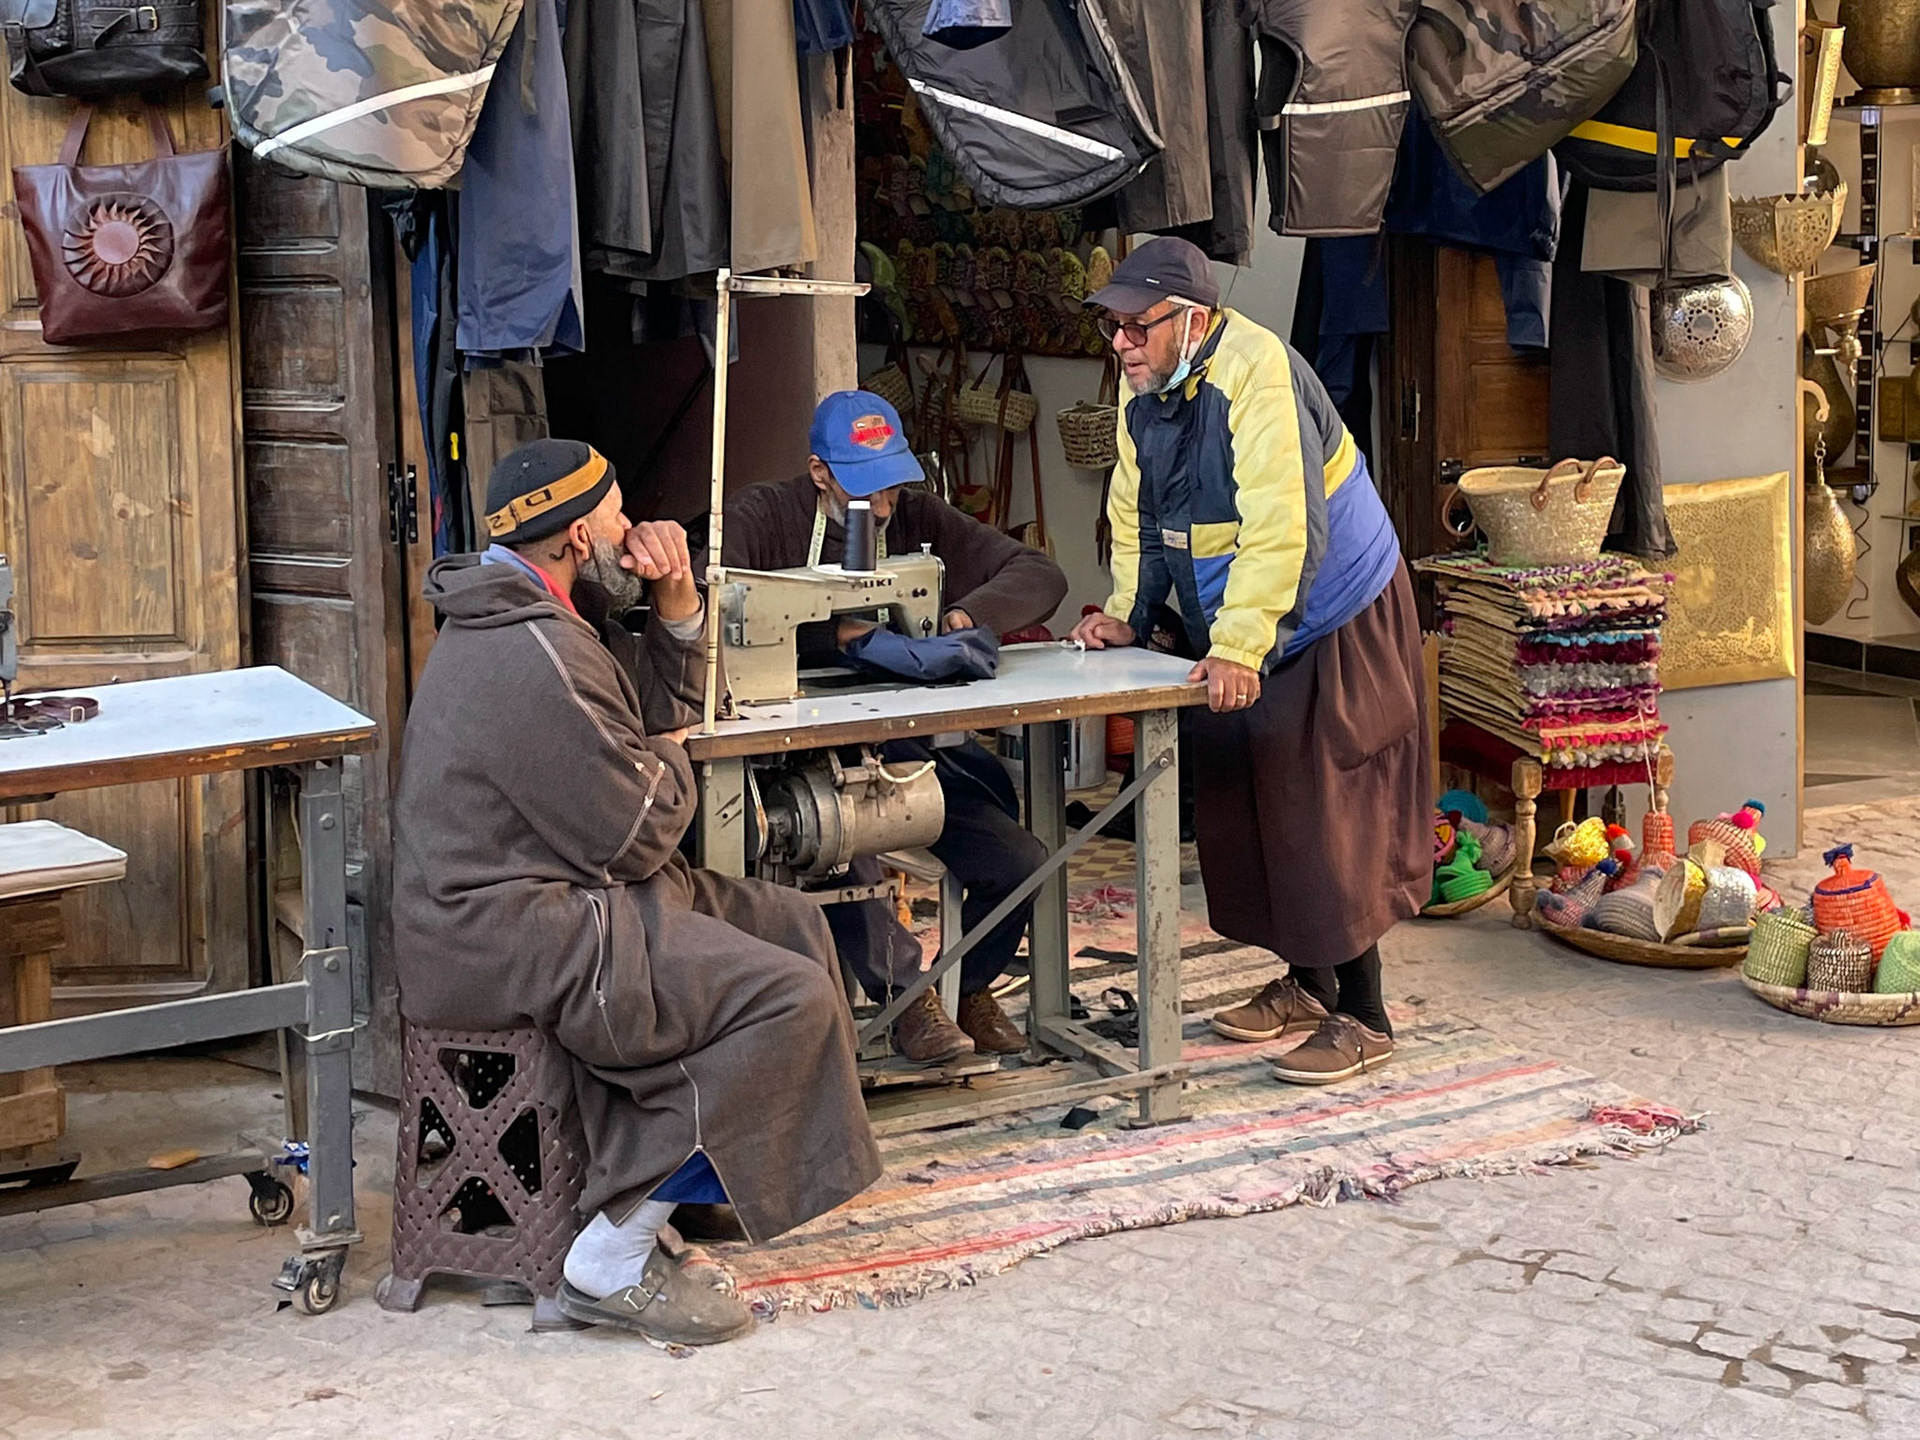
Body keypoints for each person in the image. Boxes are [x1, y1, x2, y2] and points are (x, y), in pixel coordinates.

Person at [392, 438, 881, 1345]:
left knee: (794, 924)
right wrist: (668, 764)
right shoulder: (531, 647)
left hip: (557, 900)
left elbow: (654, 729)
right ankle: (612, 1255)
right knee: (788, 999)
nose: (633, 528)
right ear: (581, 535)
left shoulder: (540, 617)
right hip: (507, 931)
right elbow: (636, 827)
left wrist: (679, 604)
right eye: (618, 513)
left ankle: (712, 1180)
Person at [1069, 237, 1429, 1085]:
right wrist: (1130, 615)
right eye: (1112, 329)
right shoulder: (1149, 394)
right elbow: (1140, 516)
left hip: (1332, 608)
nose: (1120, 346)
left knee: (1320, 805)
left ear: (1191, 320)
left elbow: (1283, 522)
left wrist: (1237, 647)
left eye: (1135, 328)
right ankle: (1308, 983)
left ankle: (1365, 1015)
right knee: (1251, 798)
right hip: (1254, 625)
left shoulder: (1256, 372)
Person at [722, 391, 1070, 1063]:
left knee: (1017, 860)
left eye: (891, 485)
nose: (882, 506)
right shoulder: (761, 518)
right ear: (819, 471)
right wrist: (834, 635)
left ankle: (967, 989)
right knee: (841, 841)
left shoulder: (912, 515)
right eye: (866, 488)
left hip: (905, 741)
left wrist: (962, 619)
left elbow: (1038, 573)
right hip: (794, 754)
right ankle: (907, 1001)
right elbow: (718, 598)